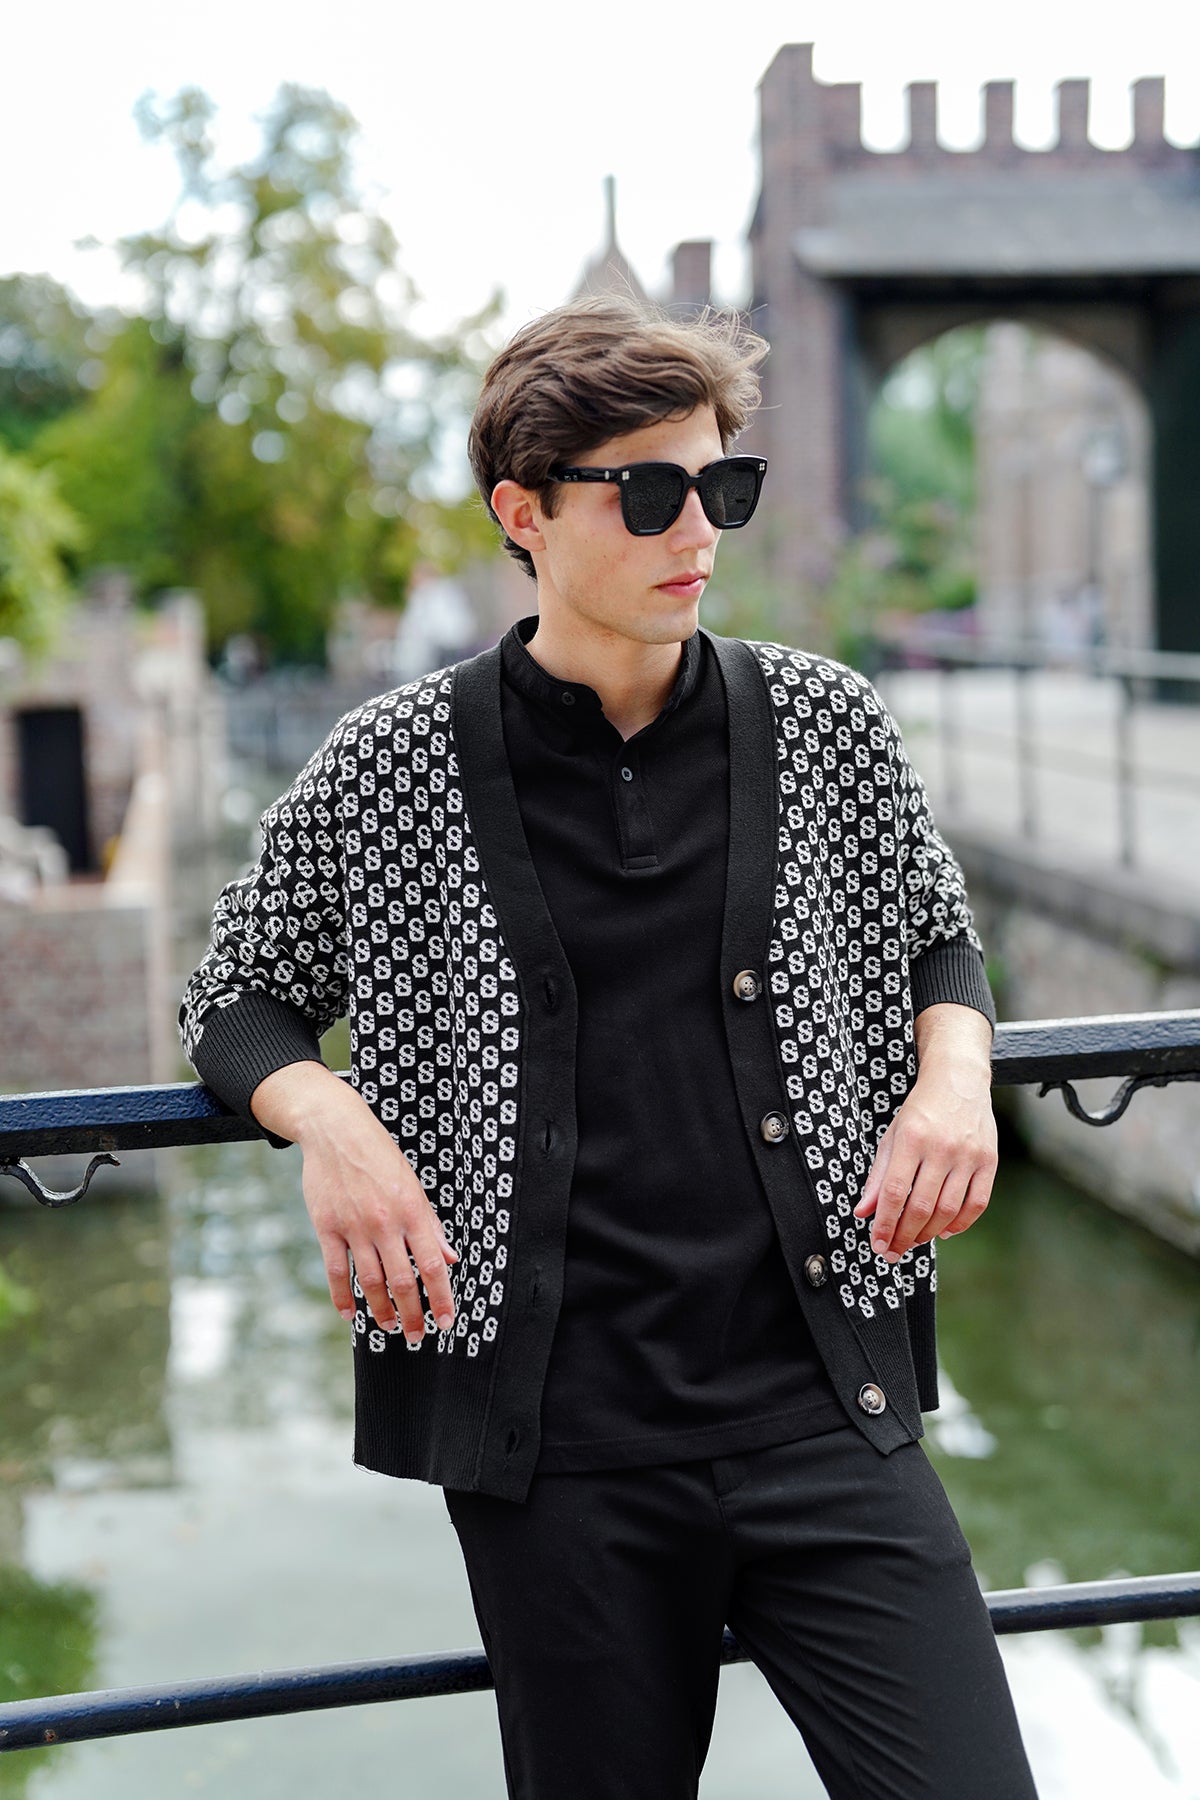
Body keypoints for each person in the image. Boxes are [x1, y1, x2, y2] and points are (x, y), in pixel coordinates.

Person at [181, 296, 1037, 1799]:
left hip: (827, 1408)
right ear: (522, 512)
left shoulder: (824, 725)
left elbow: (934, 941)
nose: (696, 529)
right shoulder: (391, 770)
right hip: (560, 1459)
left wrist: (955, 1080)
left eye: (722, 486)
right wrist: (333, 1122)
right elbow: (233, 997)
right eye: (648, 492)